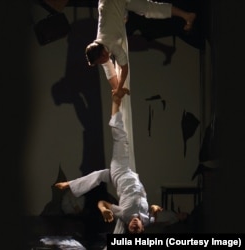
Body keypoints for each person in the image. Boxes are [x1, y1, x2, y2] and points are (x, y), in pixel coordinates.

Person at [55, 89, 162, 233]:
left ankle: (115, 101)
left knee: (120, 138)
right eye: (137, 227)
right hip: (131, 174)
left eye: (132, 227)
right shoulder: (147, 220)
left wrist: (103, 210)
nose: (134, 223)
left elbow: (102, 202)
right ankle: (70, 184)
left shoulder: (123, 214)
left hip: (120, 173)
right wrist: (155, 209)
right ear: (143, 228)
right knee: (98, 176)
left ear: (127, 225)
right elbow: (154, 214)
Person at [85, 0, 196, 96]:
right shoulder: (99, 43)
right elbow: (108, 69)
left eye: (100, 61)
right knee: (131, 14)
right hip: (109, 4)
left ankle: (187, 16)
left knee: (149, 8)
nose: (102, 63)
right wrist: (117, 90)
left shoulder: (112, 44)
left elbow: (124, 68)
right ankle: (186, 15)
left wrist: (118, 89)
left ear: (103, 54)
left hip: (116, 3)